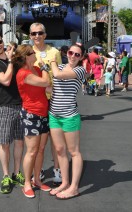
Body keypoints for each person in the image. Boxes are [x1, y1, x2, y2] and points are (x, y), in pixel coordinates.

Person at [0, 34, 24, 194]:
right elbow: (6, 81)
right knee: (5, 143)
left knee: (20, 142)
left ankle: (16, 173)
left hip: (21, 105)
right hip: (5, 107)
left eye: (0, 41)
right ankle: (6, 175)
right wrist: (9, 61)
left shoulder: (13, 60)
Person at [12, 44, 51, 198]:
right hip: (31, 115)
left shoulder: (36, 70)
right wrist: (45, 68)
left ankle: (37, 180)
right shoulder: (23, 73)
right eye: (33, 52)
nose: (36, 54)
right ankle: (27, 183)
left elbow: (47, 88)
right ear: (27, 56)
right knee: (32, 150)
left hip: (43, 113)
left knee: (41, 149)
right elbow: (45, 83)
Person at [48, 43, 86, 199]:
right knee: (59, 151)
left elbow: (58, 75)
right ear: (67, 53)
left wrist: (51, 61)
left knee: (74, 152)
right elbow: (53, 86)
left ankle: (74, 187)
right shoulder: (61, 67)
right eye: (71, 52)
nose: (73, 56)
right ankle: (65, 182)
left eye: (77, 54)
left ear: (81, 57)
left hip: (69, 116)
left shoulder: (80, 70)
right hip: (54, 115)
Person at [29, 22, 62, 185]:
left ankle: (57, 170)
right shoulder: (27, 53)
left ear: (45, 35)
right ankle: (38, 169)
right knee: (38, 143)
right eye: (34, 33)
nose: (37, 36)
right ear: (30, 36)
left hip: (54, 100)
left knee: (56, 141)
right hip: (35, 103)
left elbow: (59, 75)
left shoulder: (54, 52)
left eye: (40, 33)